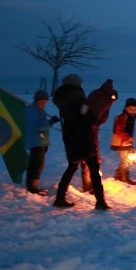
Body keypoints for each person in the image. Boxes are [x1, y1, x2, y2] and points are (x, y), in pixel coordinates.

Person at [52, 74, 110, 211]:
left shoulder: (62, 100)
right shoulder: (79, 100)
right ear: (76, 85)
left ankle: (60, 198)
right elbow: (87, 115)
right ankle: (100, 201)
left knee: (72, 167)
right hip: (83, 138)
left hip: (70, 138)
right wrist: (96, 121)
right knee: (94, 170)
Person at [84, 79, 118, 192]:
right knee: (89, 154)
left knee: (93, 151)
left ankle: (92, 183)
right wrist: (83, 118)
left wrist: (101, 121)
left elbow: (105, 112)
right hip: (88, 125)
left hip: (94, 124)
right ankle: (89, 184)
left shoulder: (107, 98)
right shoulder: (98, 95)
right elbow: (86, 106)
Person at [23, 89, 58, 195]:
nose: (44, 104)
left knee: (38, 164)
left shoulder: (38, 110)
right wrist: (50, 122)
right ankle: (32, 187)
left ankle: (33, 185)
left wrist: (49, 123)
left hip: (41, 142)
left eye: (45, 102)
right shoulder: (32, 111)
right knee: (36, 164)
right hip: (36, 142)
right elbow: (38, 126)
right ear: (36, 100)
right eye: (42, 102)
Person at [110, 97, 136, 183]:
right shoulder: (122, 117)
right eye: (130, 109)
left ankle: (118, 175)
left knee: (124, 161)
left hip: (125, 142)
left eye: (134, 109)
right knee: (125, 161)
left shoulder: (131, 117)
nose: (132, 111)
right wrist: (128, 137)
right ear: (126, 108)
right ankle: (124, 178)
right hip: (120, 142)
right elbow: (119, 131)